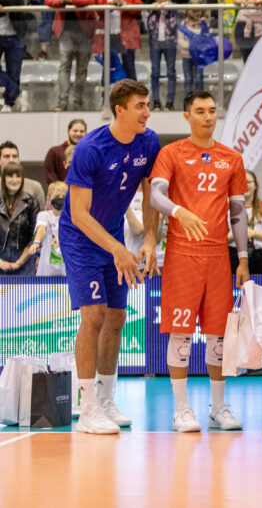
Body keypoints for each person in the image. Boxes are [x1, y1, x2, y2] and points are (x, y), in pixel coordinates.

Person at [62, 80, 160, 434]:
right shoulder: (91, 148)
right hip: (81, 237)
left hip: (116, 233)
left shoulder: (148, 141)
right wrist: (117, 248)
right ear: (120, 110)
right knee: (94, 315)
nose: (147, 113)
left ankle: (105, 398)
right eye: (140, 106)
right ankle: (87, 406)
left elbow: (151, 192)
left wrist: (149, 237)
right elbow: (79, 214)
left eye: (147, 105)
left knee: (117, 317)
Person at [148, 89, 248, 432]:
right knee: (181, 333)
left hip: (219, 255)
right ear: (186, 116)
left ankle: (218, 407)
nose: (208, 116)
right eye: (200, 111)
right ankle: (181, 409)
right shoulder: (171, 153)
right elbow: (155, 194)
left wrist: (243, 258)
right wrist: (180, 212)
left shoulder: (231, 158)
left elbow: (238, 212)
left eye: (212, 110)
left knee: (218, 335)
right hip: (182, 253)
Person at [45, 0, 94, 112]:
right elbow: (48, 0)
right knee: (64, 65)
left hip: (85, 29)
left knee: (82, 69)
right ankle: (62, 102)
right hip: (65, 30)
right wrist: (61, 0)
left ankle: (77, 101)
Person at [93, 0, 142, 81]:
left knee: (129, 65)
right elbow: (99, 10)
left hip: (127, 33)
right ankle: (106, 97)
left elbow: (138, 9)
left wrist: (124, 5)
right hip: (107, 33)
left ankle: (133, 97)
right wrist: (112, 4)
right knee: (108, 67)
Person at [228, 169, 262, 275]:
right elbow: (221, 239)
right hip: (234, 256)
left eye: (248, 182)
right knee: (236, 290)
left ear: (255, 186)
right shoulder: (227, 209)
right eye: (242, 182)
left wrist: (255, 234)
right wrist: (235, 235)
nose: (245, 185)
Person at [0, 0, 30, 112]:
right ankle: (18, 92)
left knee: (14, 70)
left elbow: (17, 1)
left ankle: (9, 102)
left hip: (13, 33)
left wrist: (2, 4)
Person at [145, 0, 179, 110]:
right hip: (155, 43)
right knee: (155, 71)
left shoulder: (173, 7)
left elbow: (174, 24)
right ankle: (156, 101)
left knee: (171, 71)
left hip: (170, 43)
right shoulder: (150, 8)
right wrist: (153, 11)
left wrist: (166, 9)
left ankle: (170, 102)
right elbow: (148, 26)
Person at [0, 161, 38, 276]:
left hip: (25, 261)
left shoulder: (31, 201)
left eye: (18, 176)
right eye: (10, 176)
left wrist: (20, 261)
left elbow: (35, 235)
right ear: (3, 178)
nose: (14, 180)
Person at [31, 181, 68, 277]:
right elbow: (41, 229)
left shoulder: (72, 218)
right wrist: (36, 242)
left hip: (66, 271)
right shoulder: (43, 215)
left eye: (62, 197)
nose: (59, 200)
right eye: (56, 197)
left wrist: (60, 237)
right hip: (45, 272)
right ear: (48, 198)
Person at [0, 141, 44, 209]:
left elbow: (41, 216)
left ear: (19, 160)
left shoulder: (35, 187)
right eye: (7, 156)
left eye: (14, 156)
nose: (11, 160)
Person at [176, 0, 206, 96]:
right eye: (194, 10)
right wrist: (192, 46)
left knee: (199, 78)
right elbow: (180, 40)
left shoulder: (203, 23)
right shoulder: (183, 23)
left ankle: (200, 100)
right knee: (188, 79)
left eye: (199, 10)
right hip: (187, 56)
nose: (196, 13)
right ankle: (188, 101)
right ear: (188, 10)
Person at [44, 119, 86, 186]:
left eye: (81, 131)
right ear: (68, 131)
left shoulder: (89, 153)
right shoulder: (54, 152)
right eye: (75, 131)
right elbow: (50, 174)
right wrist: (61, 188)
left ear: (86, 133)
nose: (78, 134)